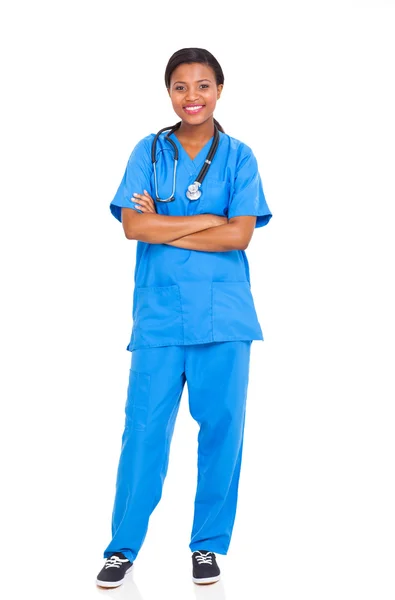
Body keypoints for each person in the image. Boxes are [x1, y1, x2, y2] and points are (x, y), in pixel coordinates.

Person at [96, 47, 272, 589]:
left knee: (222, 431)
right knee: (144, 432)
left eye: (202, 85)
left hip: (225, 318)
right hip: (160, 317)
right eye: (180, 86)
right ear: (168, 92)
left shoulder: (240, 157)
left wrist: (167, 223)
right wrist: (206, 222)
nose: (191, 96)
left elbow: (240, 234)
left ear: (220, 90)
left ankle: (207, 546)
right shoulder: (147, 154)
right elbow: (132, 228)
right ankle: (121, 548)